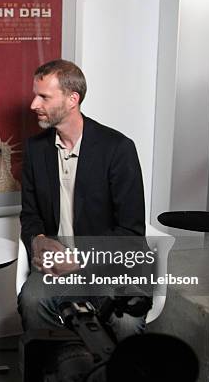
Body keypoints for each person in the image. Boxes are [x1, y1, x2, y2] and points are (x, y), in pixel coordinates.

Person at [18, 59, 146, 341]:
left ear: (72, 99)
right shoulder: (36, 150)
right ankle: (59, 377)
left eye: (44, 97)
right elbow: (30, 216)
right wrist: (38, 238)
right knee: (31, 300)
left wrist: (79, 261)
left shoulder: (118, 149)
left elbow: (131, 235)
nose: (33, 105)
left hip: (108, 268)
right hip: (56, 271)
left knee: (126, 322)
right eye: (35, 95)